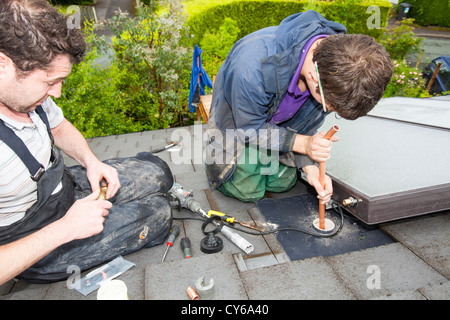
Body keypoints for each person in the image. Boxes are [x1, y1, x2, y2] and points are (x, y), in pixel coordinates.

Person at [0, 0, 173, 285]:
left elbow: (58, 126)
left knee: (159, 171)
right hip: (37, 243)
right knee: (159, 213)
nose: (56, 93)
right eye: (49, 82)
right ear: (3, 64)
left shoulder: (27, 96)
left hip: (66, 192)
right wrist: (65, 229)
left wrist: (92, 163)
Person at [205, 10, 393, 203]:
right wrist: (305, 145)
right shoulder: (251, 67)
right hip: (240, 125)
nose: (329, 110)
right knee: (247, 191)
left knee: (283, 183)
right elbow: (250, 129)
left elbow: (307, 126)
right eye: (331, 107)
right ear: (313, 77)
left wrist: (310, 169)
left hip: (278, 130)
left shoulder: (337, 68)